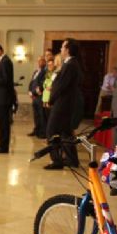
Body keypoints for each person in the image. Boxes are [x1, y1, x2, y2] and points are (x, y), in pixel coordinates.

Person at [44, 38, 83, 170]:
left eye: (62, 47)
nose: (60, 49)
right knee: (66, 132)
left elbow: (61, 86)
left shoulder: (70, 64)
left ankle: (57, 160)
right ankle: (72, 160)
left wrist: (51, 99)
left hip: (62, 104)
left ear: (67, 49)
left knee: (51, 131)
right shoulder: (71, 63)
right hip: (66, 104)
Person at [28, 56, 47, 137]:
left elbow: (41, 84)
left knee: (41, 115)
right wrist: (29, 91)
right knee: (36, 115)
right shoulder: (36, 71)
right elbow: (32, 82)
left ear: (44, 62)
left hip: (39, 96)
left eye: (41, 61)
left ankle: (42, 132)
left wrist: (34, 93)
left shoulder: (45, 72)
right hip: (34, 97)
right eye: (38, 61)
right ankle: (36, 130)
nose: (39, 62)